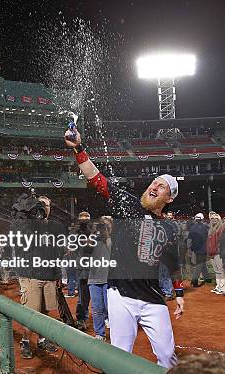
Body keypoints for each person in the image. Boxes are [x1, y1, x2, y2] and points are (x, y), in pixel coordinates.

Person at [64, 126, 183, 368]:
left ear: (169, 199)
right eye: (154, 182)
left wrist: (179, 293)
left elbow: (173, 262)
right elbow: (96, 178)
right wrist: (78, 148)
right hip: (120, 296)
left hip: (153, 299)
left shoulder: (169, 229)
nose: (154, 186)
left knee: (168, 357)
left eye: (161, 187)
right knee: (120, 357)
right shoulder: (128, 206)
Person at [17, 195, 65, 359]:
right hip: (32, 276)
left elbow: (58, 253)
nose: (45, 208)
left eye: (48, 205)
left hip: (49, 276)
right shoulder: (28, 226)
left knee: (45, 312)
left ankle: (42, 339)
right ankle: (25, 341)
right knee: (31, 312)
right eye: (41, 205)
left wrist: (58, 275)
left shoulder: (55, 227)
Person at [88, 216, 113, 341]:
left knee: (110, 308)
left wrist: (107, 236)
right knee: (97, 308)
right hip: (94, 279)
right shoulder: (93, 240)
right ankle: (100, 333)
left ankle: (115, 332)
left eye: (106, 226)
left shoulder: (113, 241)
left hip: (110, 280)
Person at [188, 213, 210, 287]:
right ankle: (194, 281)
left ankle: (207, 278)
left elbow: (189, 239)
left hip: (195, 249)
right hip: (202, 249)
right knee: (199, 265)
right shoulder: (205, 227)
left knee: (202, 263)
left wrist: (190, 249)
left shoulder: (192, 227)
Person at [207, 212, 224, 294]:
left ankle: (223, 287)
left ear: (219, 220)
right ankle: (218, 286)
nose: (214, 220)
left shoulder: (221, 228)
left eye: (216, 219)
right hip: (211, 253)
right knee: (216, 271)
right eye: (212, 218)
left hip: (218, 253)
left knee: (221, 270)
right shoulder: (211, 229)